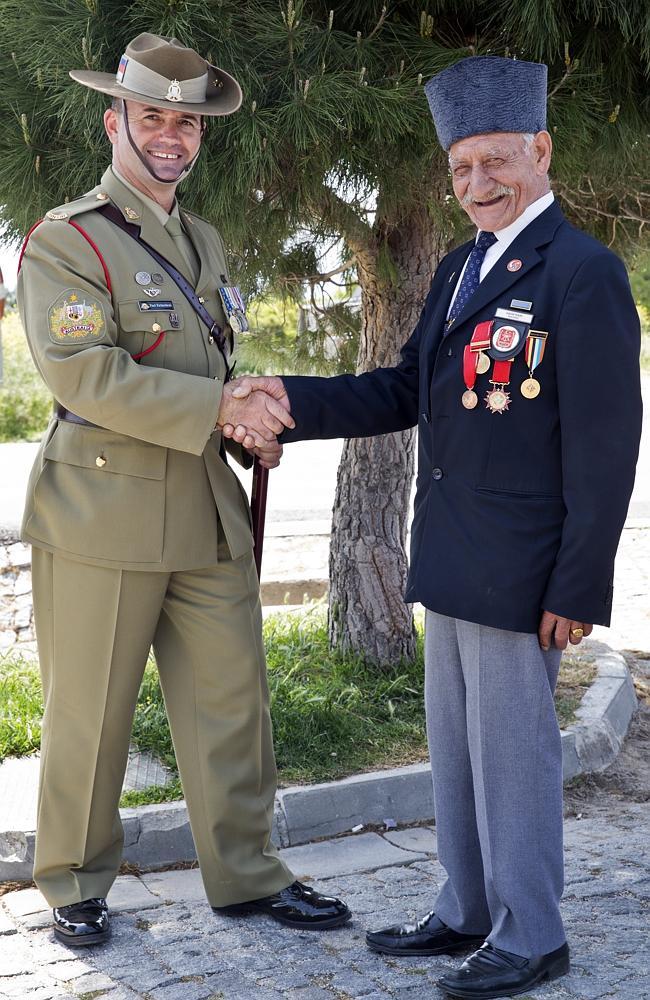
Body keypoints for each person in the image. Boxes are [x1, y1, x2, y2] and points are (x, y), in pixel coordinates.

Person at [222, 56, 642, 998]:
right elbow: (404, 389)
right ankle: (465, 908)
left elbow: (608, 448)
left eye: (496, 161)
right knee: (455, 747)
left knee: (515, 754)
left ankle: (533, 933)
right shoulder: (462, 267)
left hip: (524, 568)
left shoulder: (583, 273)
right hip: (451, 551)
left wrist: (579, 586)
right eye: (460, 168)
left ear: (540, 150)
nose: (478, 185)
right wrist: (288, 396)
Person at [18, 32, 350, 948]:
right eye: (153, 115)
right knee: (92, 713)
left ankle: (245, 876)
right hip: (102, 512)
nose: (172, 134)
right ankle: (74, 885)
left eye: (187, 120)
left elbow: (208, 362)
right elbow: (84, 374)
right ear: (114, 119)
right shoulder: (67, 239)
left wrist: (246, 427)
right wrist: (223, 406)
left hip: (204, 508)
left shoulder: (198, 238)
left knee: (232, 705)